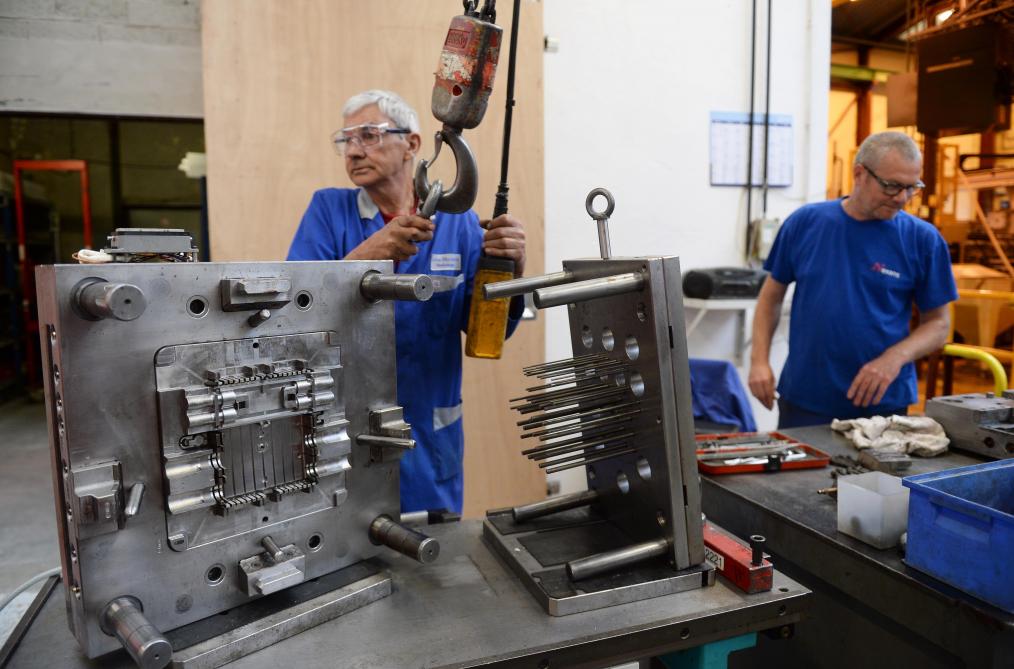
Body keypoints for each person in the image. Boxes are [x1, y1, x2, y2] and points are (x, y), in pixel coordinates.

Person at [287, 90, 526, 512]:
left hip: (430, 433)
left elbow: (486, 331)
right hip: (346, 426)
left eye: (369, 135)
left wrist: (512, 270)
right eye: (346, 140)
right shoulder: (328, 210)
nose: (354, 150)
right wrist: (369, 253)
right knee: (349, 535)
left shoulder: (459, 223)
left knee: (435, 544)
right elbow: (295, 310)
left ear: (412, 144)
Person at [748, 131, 957, 429]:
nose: (902, 198)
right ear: (859, 174)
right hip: (807, 399)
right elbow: (770, 298)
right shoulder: (806, 223)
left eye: (912, 187)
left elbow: (938, 324)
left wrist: (894, 358)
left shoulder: (923, 240)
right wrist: (759, 360)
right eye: (892, 186)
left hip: (882, 403)